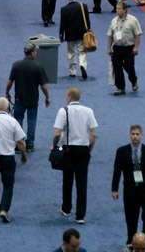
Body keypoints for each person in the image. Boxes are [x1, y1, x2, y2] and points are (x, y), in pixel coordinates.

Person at [112, 125, 145, 244]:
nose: (135, 137)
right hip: (130, 190)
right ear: (129, 135)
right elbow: (117, 171)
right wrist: (114, 189)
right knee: (131, 219)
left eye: (137, 134)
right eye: (133, 134)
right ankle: (131, 242)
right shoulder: (121, 151)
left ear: (141, 135)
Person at [52, 87, 97, 224]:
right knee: (82, 183)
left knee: (67, 180)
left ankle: (66, 208)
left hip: (68, 150)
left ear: (69, 97)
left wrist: (54, 145)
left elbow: (57, 133)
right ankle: (80, 215)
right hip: (83, 150)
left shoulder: (63, 111)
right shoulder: (88, 111)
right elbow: (94, 134)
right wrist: (89, 149)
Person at [5, 44, 51, 152]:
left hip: (19, 98)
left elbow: (10, 81)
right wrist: (47, 97)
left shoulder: (16, 65)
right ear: (32, 53)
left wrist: (7, 92)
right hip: (32, 99)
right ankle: (30, 145)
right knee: (31, 121)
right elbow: (43, 85)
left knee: (18, 120)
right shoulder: (38, 66)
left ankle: (18, 144)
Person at [107, 1, 142, 95]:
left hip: (129, 48)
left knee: (128, 66)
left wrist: (136, 47)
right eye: (116, 8)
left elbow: (138, 34)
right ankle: (120, 87)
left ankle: (133, 80)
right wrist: (109, 48)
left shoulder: (132, 20)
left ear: (125, 10)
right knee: (117, 67)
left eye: (119, 9)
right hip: (117, 48)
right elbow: (110, 35)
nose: (117, 10)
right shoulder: (114, 21)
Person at [59, 0, 90, 79]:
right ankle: (82, 65)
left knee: (71, 53)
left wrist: (61, 35)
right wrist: (88, 30)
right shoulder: (83, 6)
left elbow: (62, 24)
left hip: (70, 35)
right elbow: (87, 21)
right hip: (81, 33)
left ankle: (72, 72)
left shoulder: (64, 9)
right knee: (82, 51)